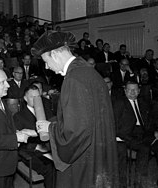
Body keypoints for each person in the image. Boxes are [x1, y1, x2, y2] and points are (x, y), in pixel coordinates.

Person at [31, 31, 119, 187]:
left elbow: (77, 131)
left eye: (46, 61)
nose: (47, 67)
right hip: (97, 152)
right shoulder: (88, 72)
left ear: (55, 55)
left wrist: (50, 128)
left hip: (83, 160)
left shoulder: (74, 79)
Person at [13, 85, 56, 188]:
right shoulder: (18, 116)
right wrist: (38, 147)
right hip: (31, 151)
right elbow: (20, 142)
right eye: (32, 97)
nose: (36, 100)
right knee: (50, 168)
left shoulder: (47, 112)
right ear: (25, 98)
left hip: (50, 147)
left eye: (38, 97)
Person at [113, 81, 153, 188]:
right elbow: (115, 126)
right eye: (130, 89)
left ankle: (138, 182)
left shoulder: (143, 103)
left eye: (135, 89)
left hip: (141, 135)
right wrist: (127, 138)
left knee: (145, 149)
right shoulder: (119, 103)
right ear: (125, 91)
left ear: (139, 91)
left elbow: (149, 122)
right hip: (124, 136)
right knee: (121, 151)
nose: (132, 92)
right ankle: (122, 185)